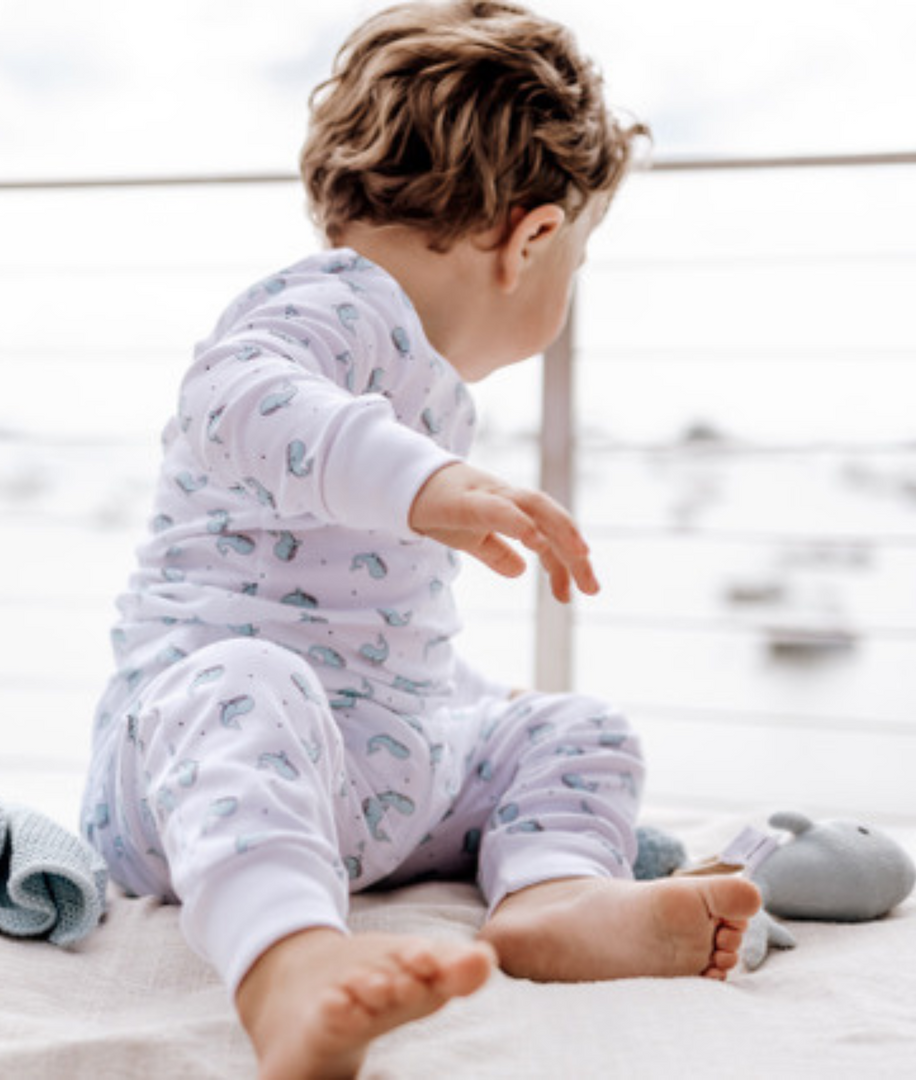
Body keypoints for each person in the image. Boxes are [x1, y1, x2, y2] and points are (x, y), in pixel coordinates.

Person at [81, 2, 761, 1076]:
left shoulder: (420, 373)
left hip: (369, 780)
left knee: (563, 724)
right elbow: (235, 396)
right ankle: (288, 960)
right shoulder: (328, 308)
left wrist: (458, 698)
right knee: (246, 681)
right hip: (194, 773)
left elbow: (368, 634)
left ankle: (554, 894)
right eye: (572, 267)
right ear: (533, 238)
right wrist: (423, 478)